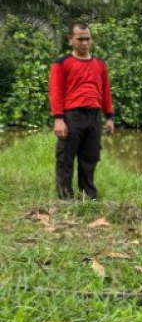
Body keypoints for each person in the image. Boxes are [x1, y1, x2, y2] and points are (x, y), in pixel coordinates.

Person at [50, 21, 115, 200]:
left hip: (94, 116)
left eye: (87, 39)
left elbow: (105, 92)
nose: (84, 43)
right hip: (72, 116)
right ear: (70, 39)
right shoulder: (61, 63)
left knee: (90, 159)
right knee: (65, 159)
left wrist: (109, 116)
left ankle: (88, 197)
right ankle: (65, 197)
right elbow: (56, 92)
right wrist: (58, 119)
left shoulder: (100, 65)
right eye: (80, 39)